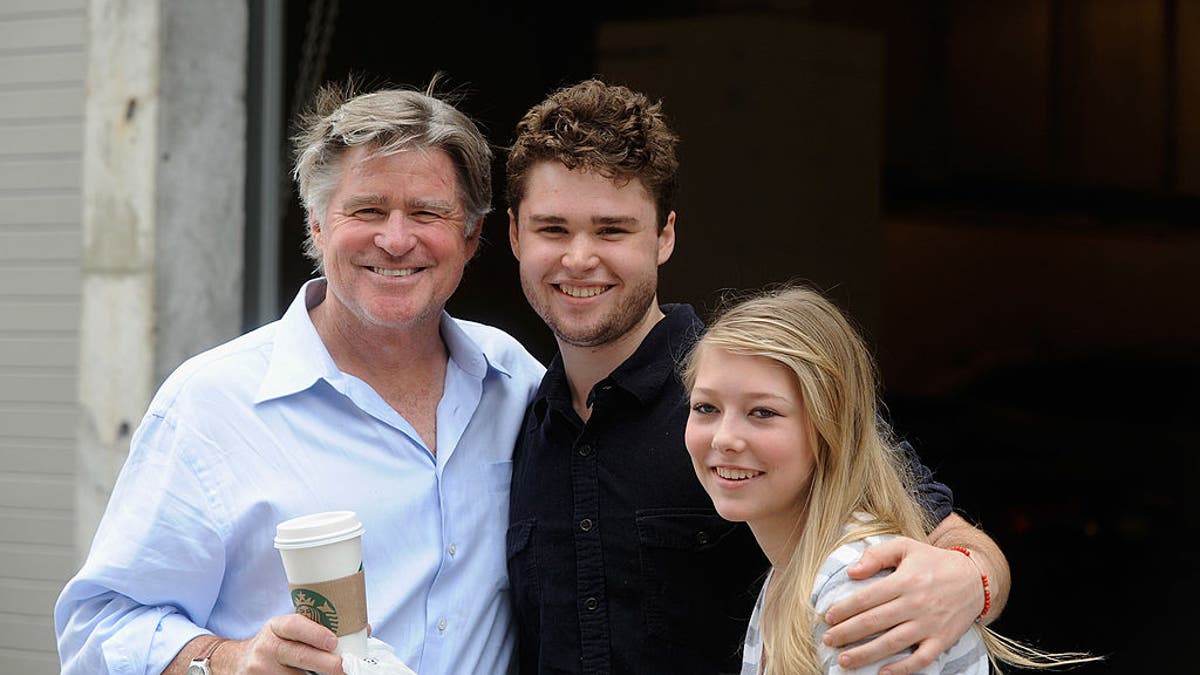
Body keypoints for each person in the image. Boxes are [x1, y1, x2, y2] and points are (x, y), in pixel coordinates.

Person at [505, 79, 1011, 674]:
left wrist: (971, 580)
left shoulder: (753, 391)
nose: (580, 257)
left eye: (612, 229)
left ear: (664, 235)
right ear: (515, 234)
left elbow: (943, 538)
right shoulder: (510, 418)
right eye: (552, 229)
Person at [54, 82, 545, 674]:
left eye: (427, 212)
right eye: (366, 210)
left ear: (470, 237)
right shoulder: (212, 405)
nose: (394, 239)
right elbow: (97, 629)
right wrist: (231, 662)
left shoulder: (514, 380)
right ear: (316, 225)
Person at [682, 285, 1098, 674]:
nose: (724, 438)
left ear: (832, 428)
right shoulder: (796, 570)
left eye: (762, 412)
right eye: (705, 408)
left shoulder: (856, 585)